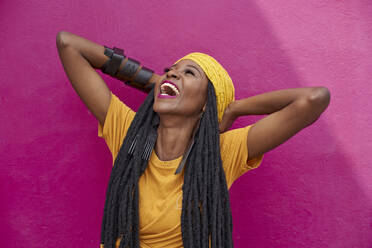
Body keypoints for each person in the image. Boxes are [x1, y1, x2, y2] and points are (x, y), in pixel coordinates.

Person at [56, 31, 330, 248]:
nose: (173, 73)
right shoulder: (129, 135)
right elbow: (68, 45)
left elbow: (313, 100)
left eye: (190, 73)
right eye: (171, 69)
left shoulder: (222, 153)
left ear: (205, 105)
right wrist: (157, 82)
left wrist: (234, 108)